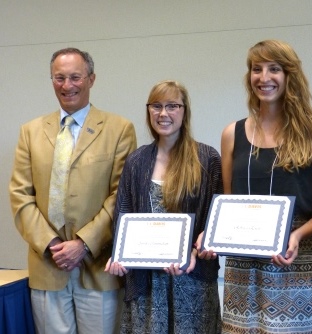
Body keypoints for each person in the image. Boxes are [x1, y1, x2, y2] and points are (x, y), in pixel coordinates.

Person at [218, 40, 312, 333]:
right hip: (243, 268)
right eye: (256, 69)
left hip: (297, 260)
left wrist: (298, 234)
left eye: (274, 69)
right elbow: (228, 203)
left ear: (289, 75)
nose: (264, 78)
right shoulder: (231, 134)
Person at [9, 47, 137, 333]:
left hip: (98, 267)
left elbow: (121, 196)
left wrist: (83, 244)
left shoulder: (119, 129)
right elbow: (20, 195)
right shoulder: (30, 131)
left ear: (91, 79)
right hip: (47, 265)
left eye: (75, 77)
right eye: (59, 78)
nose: (67, 86)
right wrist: (52, 245)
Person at [105, 80, 223, 333]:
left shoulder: (207, 158)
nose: (163, 113)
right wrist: (120, 253)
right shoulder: (136, 160)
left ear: (184, 110)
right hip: (147, 282)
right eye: (156, 106)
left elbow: (217, 216)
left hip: (192, 278)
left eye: (172, 106)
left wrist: (195, 252)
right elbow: (122, 211)